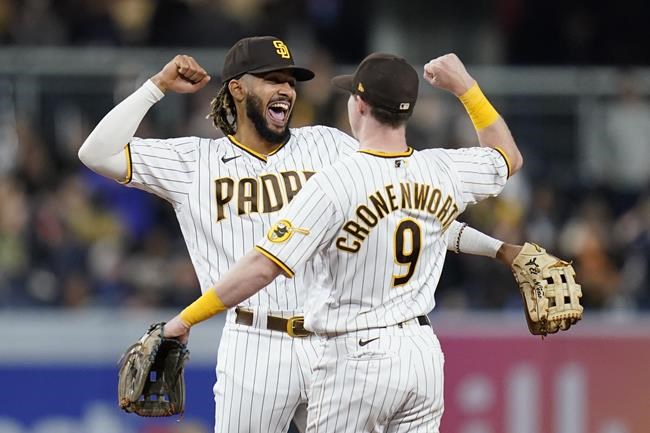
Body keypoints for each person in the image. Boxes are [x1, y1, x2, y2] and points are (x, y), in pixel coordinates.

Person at [78, 36, 521, 433]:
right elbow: (96, 152)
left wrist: (497, 249)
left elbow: (415, 209)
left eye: (291, 81)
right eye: (272, 79)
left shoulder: (329, 145)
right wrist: (156, 86)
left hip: (334, 344)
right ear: (237, 87)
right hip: (255, 342)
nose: (286, 90)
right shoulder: (194, 161)